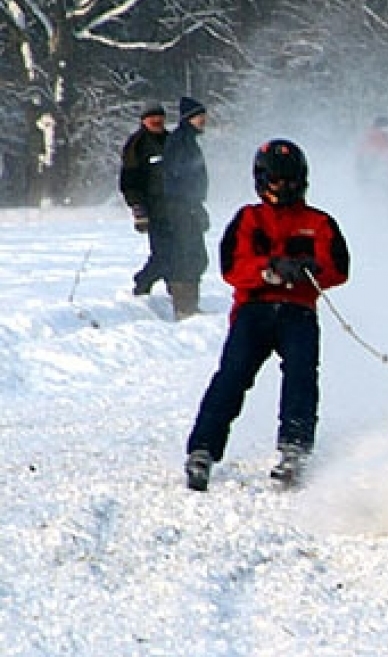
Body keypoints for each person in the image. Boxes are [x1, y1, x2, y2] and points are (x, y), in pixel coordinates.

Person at [184, 139, 350, 492]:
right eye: (276, 180)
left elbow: (339, 268)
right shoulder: (248, 218)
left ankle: (294, 449)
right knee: (232, 376)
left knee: (301, 377)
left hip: (299, 312)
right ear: (262, 181)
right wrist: (269, 269)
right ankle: (202, 449)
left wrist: (310, 269)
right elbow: (232, 266)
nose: (283, 187)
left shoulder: (319, 222)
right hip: (253, 310)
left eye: (290, 180)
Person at [161, 96, 211, 320]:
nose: (203, 120)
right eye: (199, 116)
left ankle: (189, 304)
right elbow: (177, 174)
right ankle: (183, 306)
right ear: (189, 118)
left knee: (196, 255)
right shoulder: (179, 141)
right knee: (187, 254)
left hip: (190, 204)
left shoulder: (188, 141)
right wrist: (189, 203)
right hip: (181, 206)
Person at [118, 102, 169, 295]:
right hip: (152, 209)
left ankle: (177, 295)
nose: (156, 120)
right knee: (163, 255)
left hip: (173, 208)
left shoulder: (171, 141)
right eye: (152, 117)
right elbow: (129, 181)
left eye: (160, 117)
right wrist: (138, 209)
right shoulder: (136, 145)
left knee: (178, 254)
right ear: (144, 121)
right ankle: (142, 284)